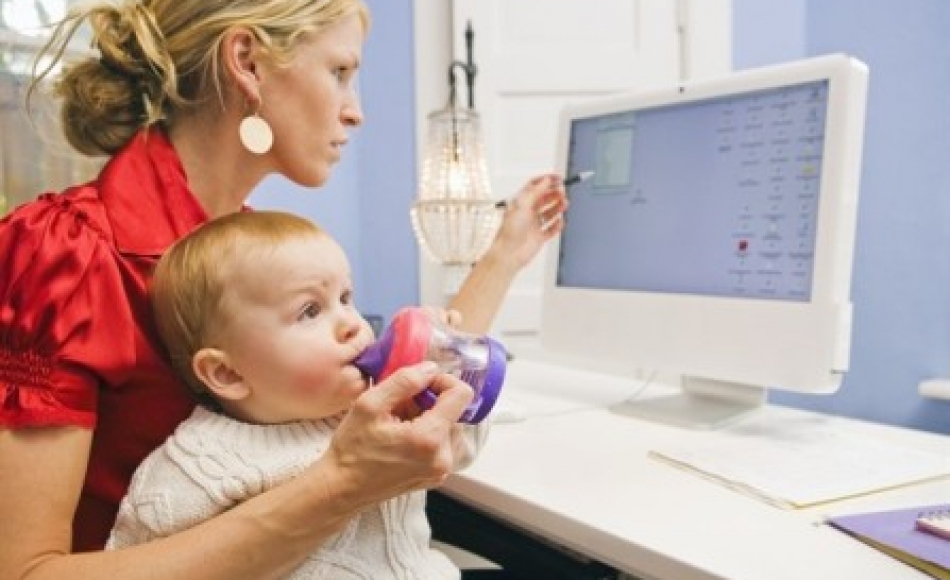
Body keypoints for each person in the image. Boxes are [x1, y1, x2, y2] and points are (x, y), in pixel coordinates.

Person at [0, 1, 567, 579]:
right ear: (247, 62)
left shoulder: (244, 252)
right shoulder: (63, 253)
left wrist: (504, 256)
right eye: (340, 73)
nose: (356, 114)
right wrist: (342, 483)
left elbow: (399, 376)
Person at [107, 210, 489, 580]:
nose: (352, 324)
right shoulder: (193, 468)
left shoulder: (375, 409)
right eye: (310, 311)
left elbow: (458, 450)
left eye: (346, 297)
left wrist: (447, 374)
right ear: (227, 372)